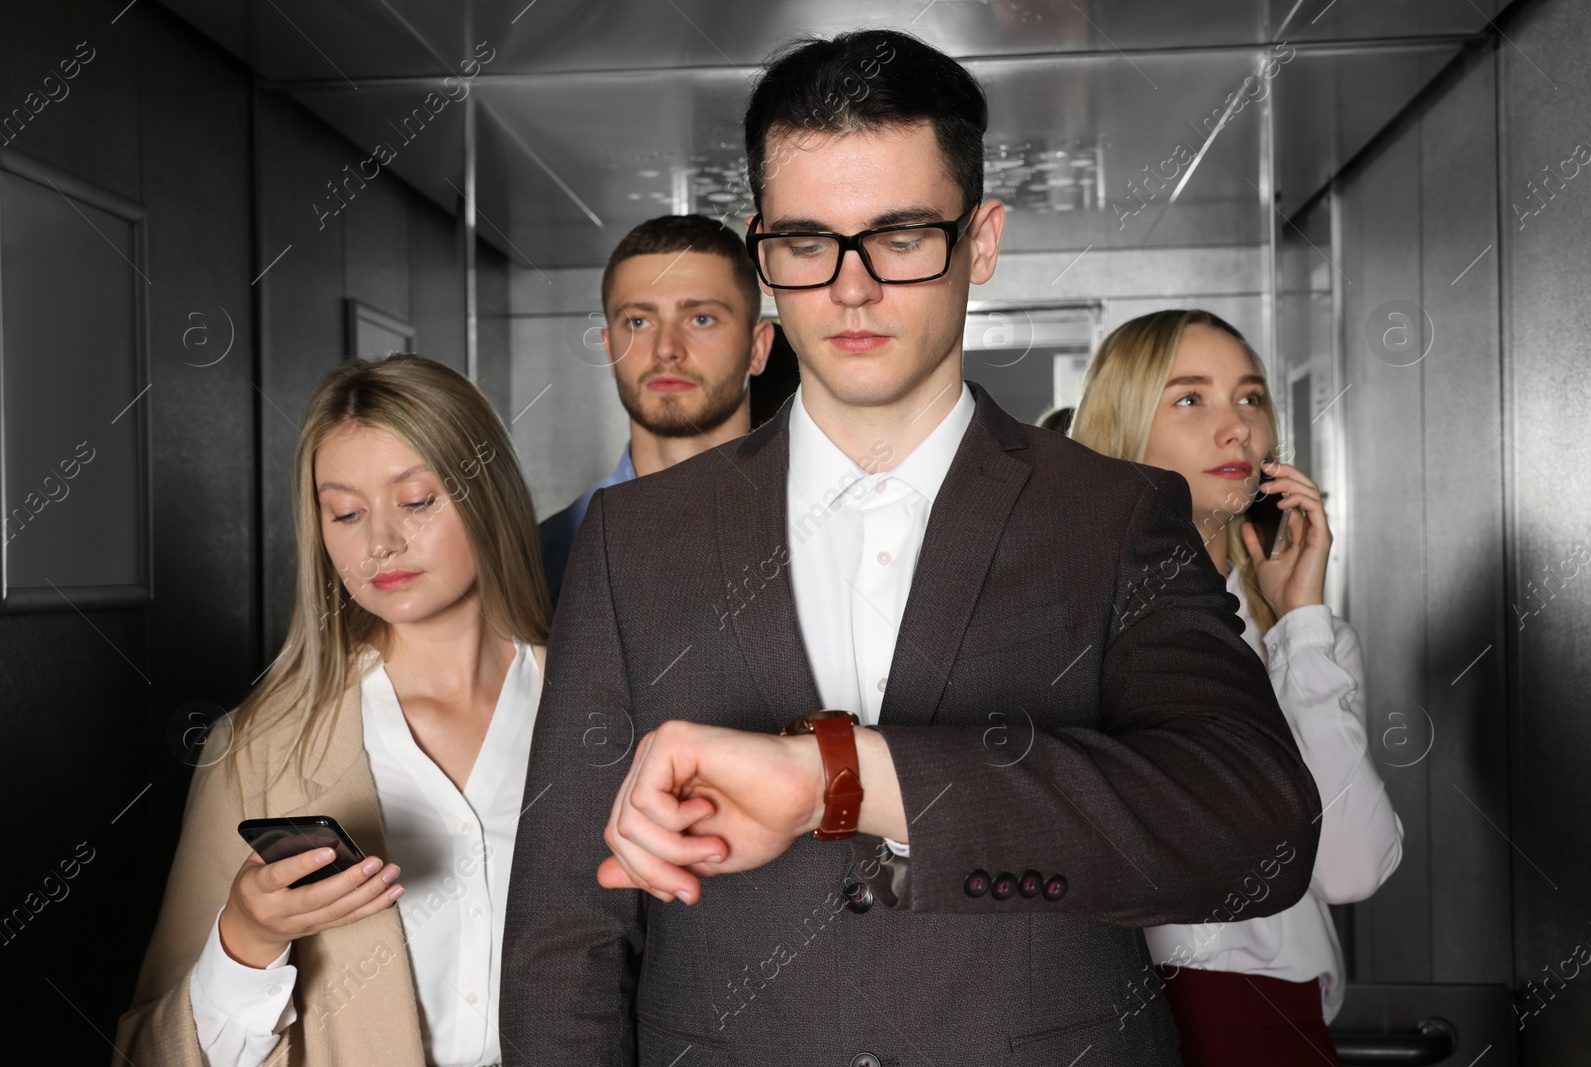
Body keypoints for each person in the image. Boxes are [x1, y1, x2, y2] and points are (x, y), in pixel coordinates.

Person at [501, 30, 1321, 1065]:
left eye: (897, 238)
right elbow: (563, 936)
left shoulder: (1111, 516)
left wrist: (842, 779)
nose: (850, 288)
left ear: (980, 241)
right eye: (806, 243)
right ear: (764, 250)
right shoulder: (635, 539)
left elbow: (1258, 830)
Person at [116, 355, 552, 1066]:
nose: (379, 543)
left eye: (416, 501)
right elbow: (150, 1053)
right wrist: (248, 939)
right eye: (346, 512)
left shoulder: (603, 703)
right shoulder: (260, 746)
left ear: (488, 495)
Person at [1071, 309, 1404, 1065]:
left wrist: (1303, 621)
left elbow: (1351, 867)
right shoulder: (1065, 631)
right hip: (1118, 1016)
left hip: (1275, 1025)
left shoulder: (1300, 637)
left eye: (1250, 398)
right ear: (1124, 431)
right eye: (1191, 399)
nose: (1237, 429)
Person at [540, 214, 774, 601]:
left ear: (758, 348)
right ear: (610, 348)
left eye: (701, 318)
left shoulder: (819, 530)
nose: (666, 348)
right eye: (638, 322)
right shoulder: (547, 558)